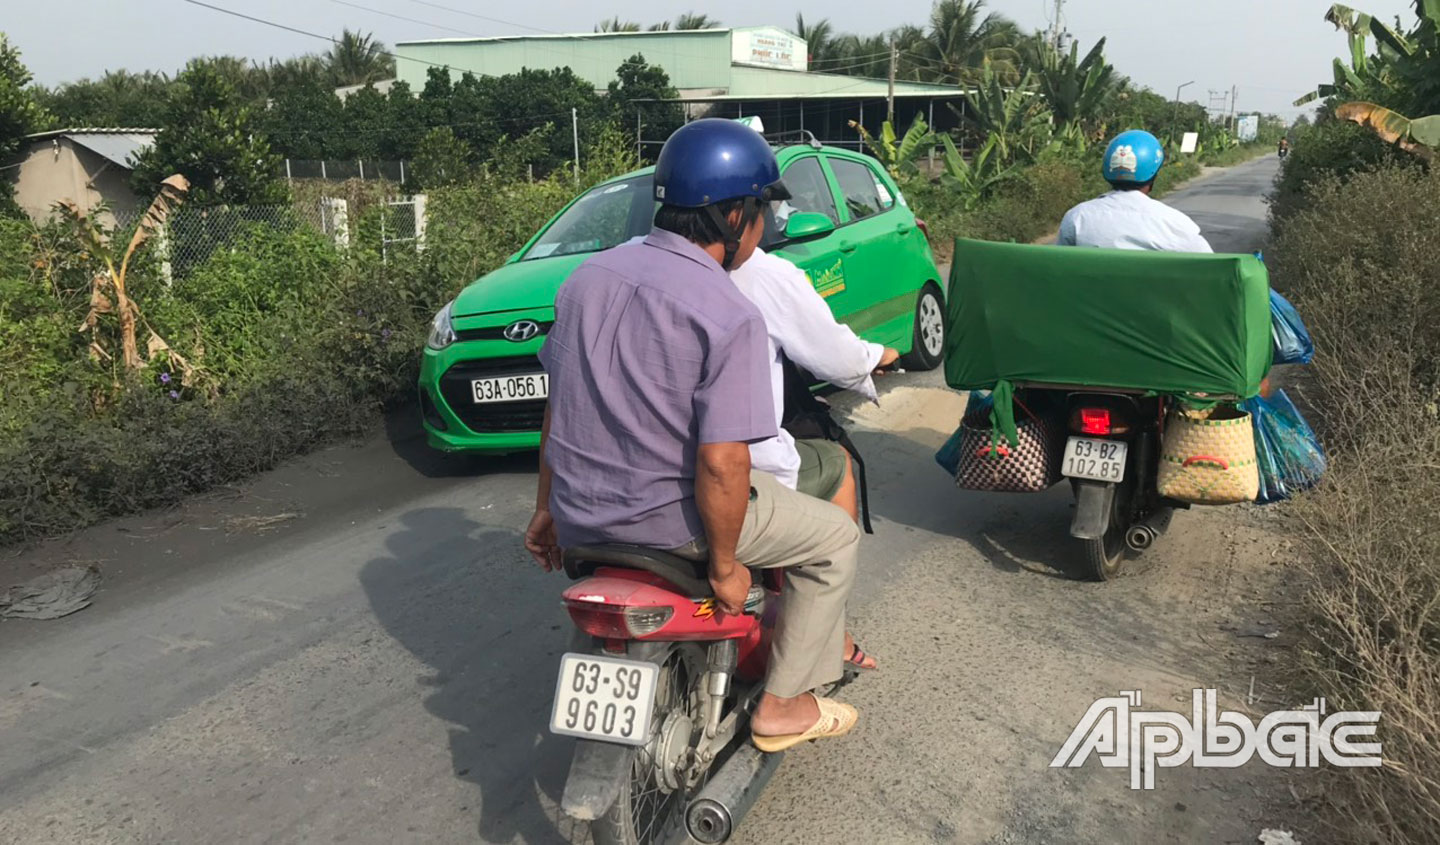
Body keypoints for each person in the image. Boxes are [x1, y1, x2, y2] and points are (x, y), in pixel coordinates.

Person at [524, 118, 861, 752]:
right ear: (736, 217)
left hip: (579, 517)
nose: (764, 228)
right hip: (670, 526)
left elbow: (557, 409)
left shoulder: (585, 280)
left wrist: (545, 509)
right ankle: (784, 705)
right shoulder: (726, 311)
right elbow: (723, 466)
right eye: (762, 211)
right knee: (835, 537)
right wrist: (729, 567)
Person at [727, 245, 897, 672]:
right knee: (835, 469)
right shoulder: (760, 272)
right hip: (727, 476)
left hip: (611, 487)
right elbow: (835, 356)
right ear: (739, 213)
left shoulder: (605, 274)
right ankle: (827, 641)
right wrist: (875, 356)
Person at [1057, 129, 1213, 253]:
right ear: (1154, 175)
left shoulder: (1077, 217)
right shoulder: (1174, 224)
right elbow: (1210, 269)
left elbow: (1061, 266)